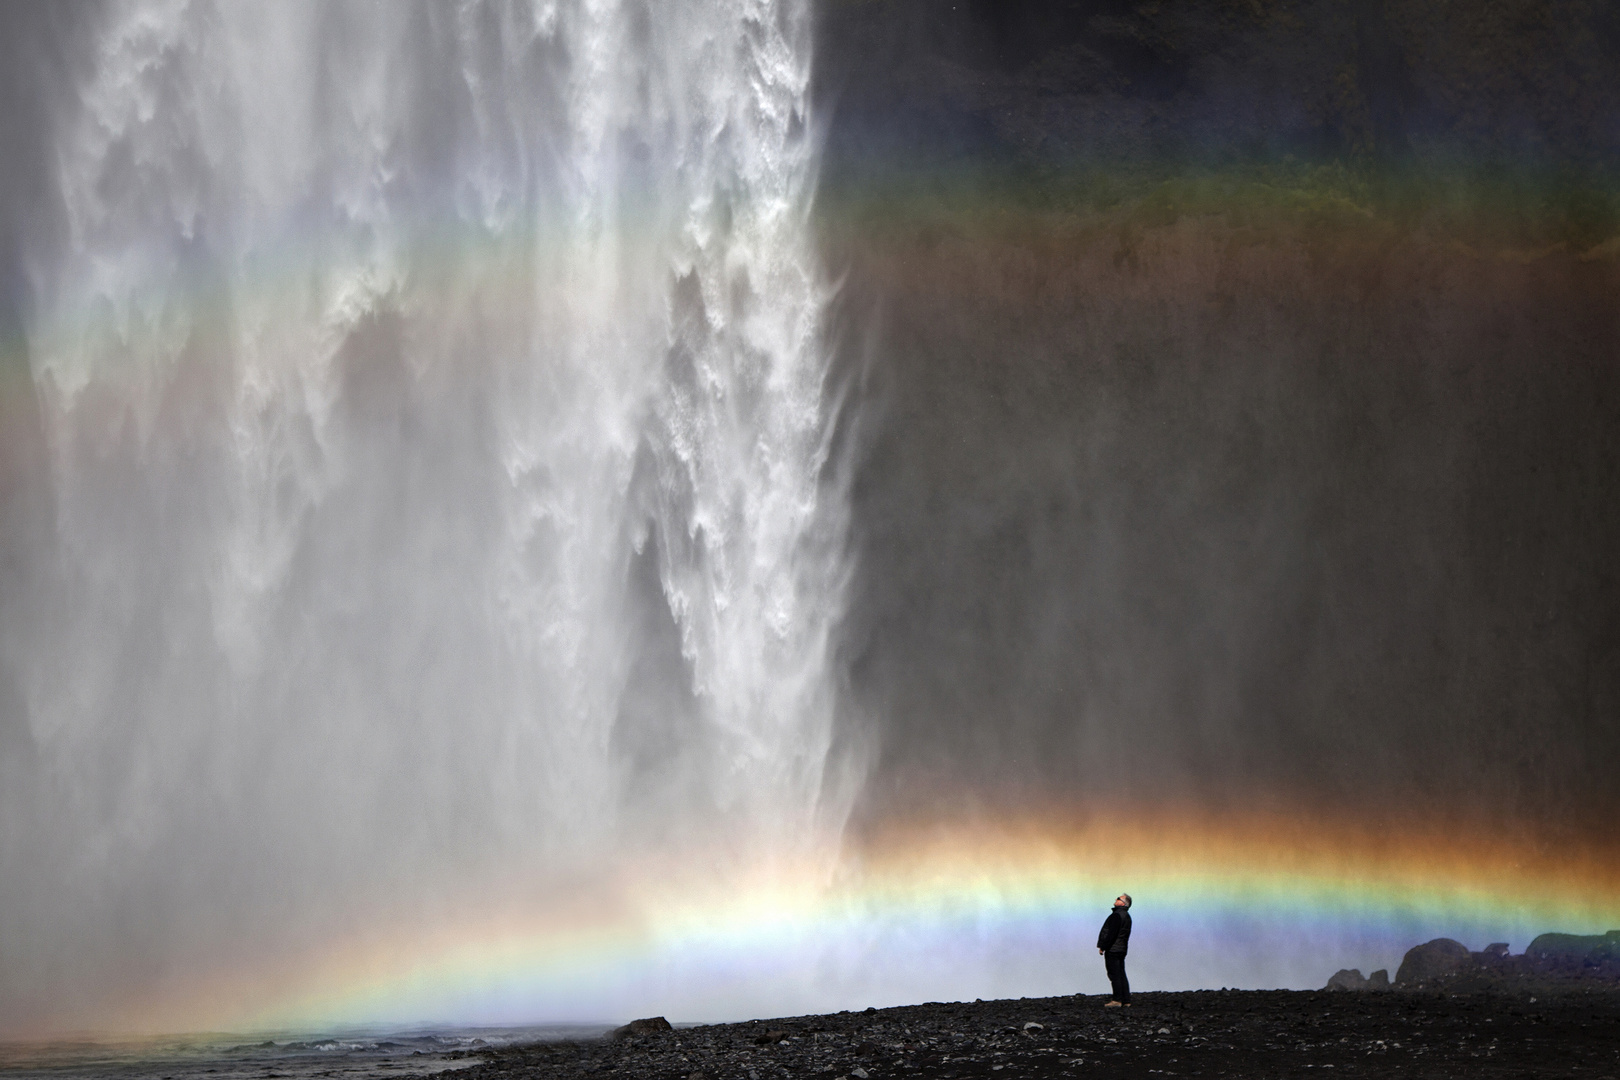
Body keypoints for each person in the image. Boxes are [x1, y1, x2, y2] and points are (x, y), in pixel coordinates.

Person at [1096, 893, 1132, 1006]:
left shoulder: (1116, 915)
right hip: (1122, 949)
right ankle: (1126, 1000)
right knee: (1121, 973)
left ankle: (1117, 1000)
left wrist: (1103, 946)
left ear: (1123, 903)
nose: (1115, 899)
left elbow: (1111, 934)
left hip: (1113, 949)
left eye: (1118, 898)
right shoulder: (1127, 916)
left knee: (1114, 974)